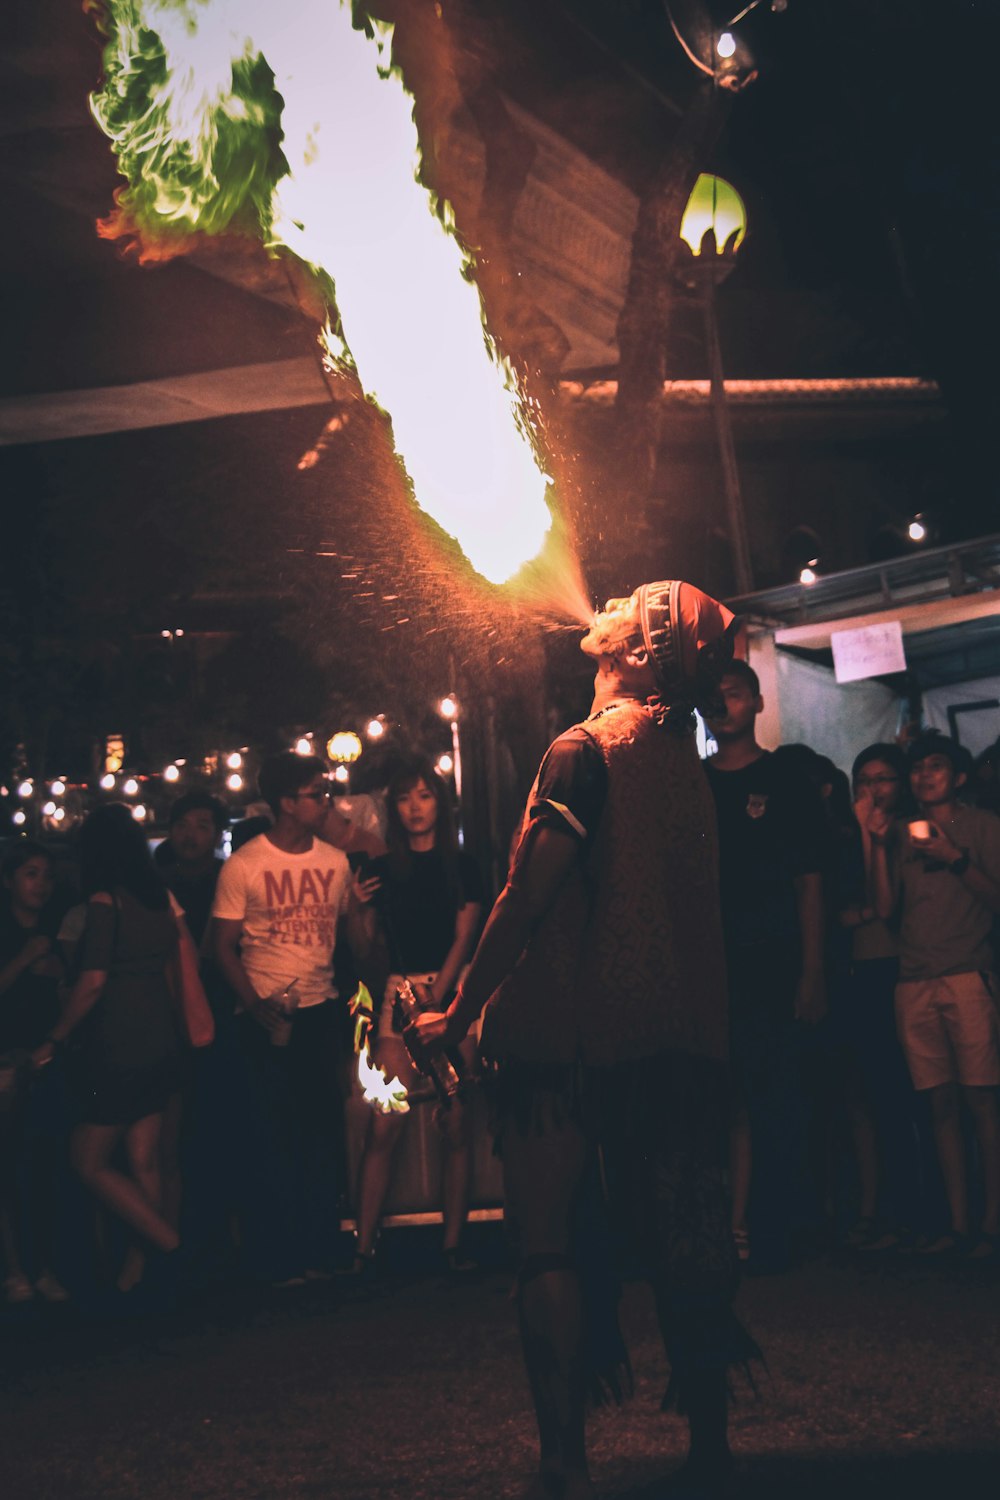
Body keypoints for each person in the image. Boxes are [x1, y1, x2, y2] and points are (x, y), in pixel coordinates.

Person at [411, 580, 759, 1500]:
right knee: (687, 1239)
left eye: (634, 601)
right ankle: (712, 1452)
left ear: (642, 652)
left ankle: (564, 1460)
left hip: (561, 1037)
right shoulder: (679, 754)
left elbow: (527, 895)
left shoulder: (584, 749)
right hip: (674, 1034)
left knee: (546, 1243)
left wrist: (459, 1009)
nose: (605, 598)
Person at [212, 752, 376, 1285]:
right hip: (263, 1013)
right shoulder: (246, 865)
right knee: (271, 1132)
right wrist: (253, 1003)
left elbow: (350, 943)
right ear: (287, 803)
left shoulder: (332, 862)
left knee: (321, 1130)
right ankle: (277, 1255)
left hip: (320, 1007)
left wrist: (359, 910)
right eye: (314, 794)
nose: (323, 802)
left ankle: (319, 1247)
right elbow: (222, 947)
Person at [31, 805, 195, 1294]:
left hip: (119, 1043)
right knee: (144, 1158)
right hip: (163, 1040)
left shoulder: (106, 903)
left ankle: (171, 1250)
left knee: (87, 1158)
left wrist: (53, 1039)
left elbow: (93, 981)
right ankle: (143, 1276)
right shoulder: (158, 900)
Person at [702, 663, 827, 1273]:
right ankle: (733, 1226)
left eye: (732, 693)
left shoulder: (784, 779)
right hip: (713, 962)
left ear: (754, 701)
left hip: (772, 960)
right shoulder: (694, 783)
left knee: (776, 1090)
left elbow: (808, 881)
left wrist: (812, 970)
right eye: (714, 696)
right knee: (723, 1099)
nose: (722, 704)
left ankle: (782, 1229)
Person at [348, 757, 483, 1273]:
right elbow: (363, 952)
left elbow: (466, 935)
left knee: (456, 1122)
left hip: (453, 997)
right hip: (399, 993)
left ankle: (452, 1247)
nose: (415, 807)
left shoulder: (462, 863)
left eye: (424, 795)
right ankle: (364, 1249)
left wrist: (441, 1002)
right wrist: (357, 909)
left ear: (439, 803)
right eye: (405, 798)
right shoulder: (380, 870)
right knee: (385, 1124)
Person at [868, 730, 1000, 1258]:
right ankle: (959, 1224)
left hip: (968, 974)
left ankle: (991, 1224)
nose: (924, 775)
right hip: (913, 979)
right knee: (940, 1104)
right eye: (917, 767)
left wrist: (955, 857)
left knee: (981, 1102)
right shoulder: (898, 832)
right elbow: (884, 908)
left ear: (959, 776)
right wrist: (877, 845)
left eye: (937, 766)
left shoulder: (983, 828)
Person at [0, 842, 68, 1305]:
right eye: (30, 874)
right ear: (9, 880)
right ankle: (15, 1269)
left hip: (46, 1059)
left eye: (45, 874)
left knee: (44, 1166)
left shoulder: (56, 926)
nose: (40, 883)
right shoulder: (11, 934)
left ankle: (43, 1266)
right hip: (6, 1059)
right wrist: (25, 960)